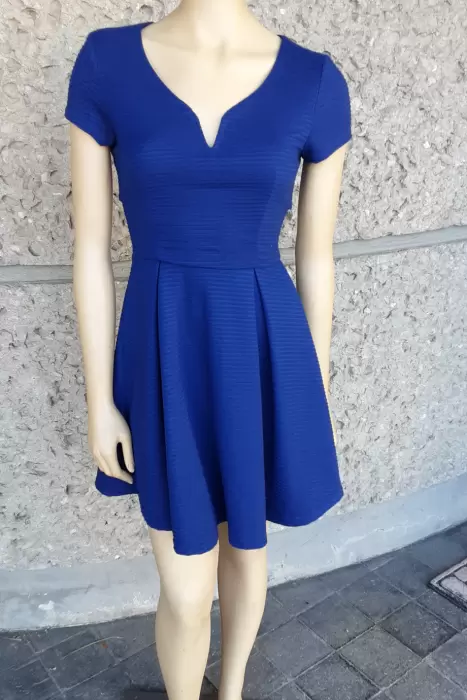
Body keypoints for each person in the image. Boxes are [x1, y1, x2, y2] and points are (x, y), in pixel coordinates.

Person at [64, 1, 352, 698]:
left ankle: (232, 691)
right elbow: (90, 251)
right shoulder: (106, 62)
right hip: (164, 349)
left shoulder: (315, 82)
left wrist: (308, 389)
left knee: (246, 552)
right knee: (187, 589)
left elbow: (316, 257)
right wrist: (99, 401)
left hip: (262, 347)